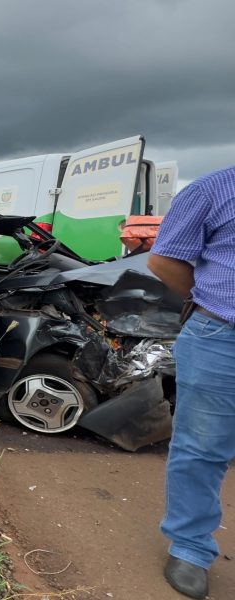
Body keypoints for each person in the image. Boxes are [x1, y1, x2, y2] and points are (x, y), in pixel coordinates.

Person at [147, 165, 235, 600]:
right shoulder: (213, 190)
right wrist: (209, 303)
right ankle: (192, 547)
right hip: (223, 334)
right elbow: (163, 260)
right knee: (202, 447)